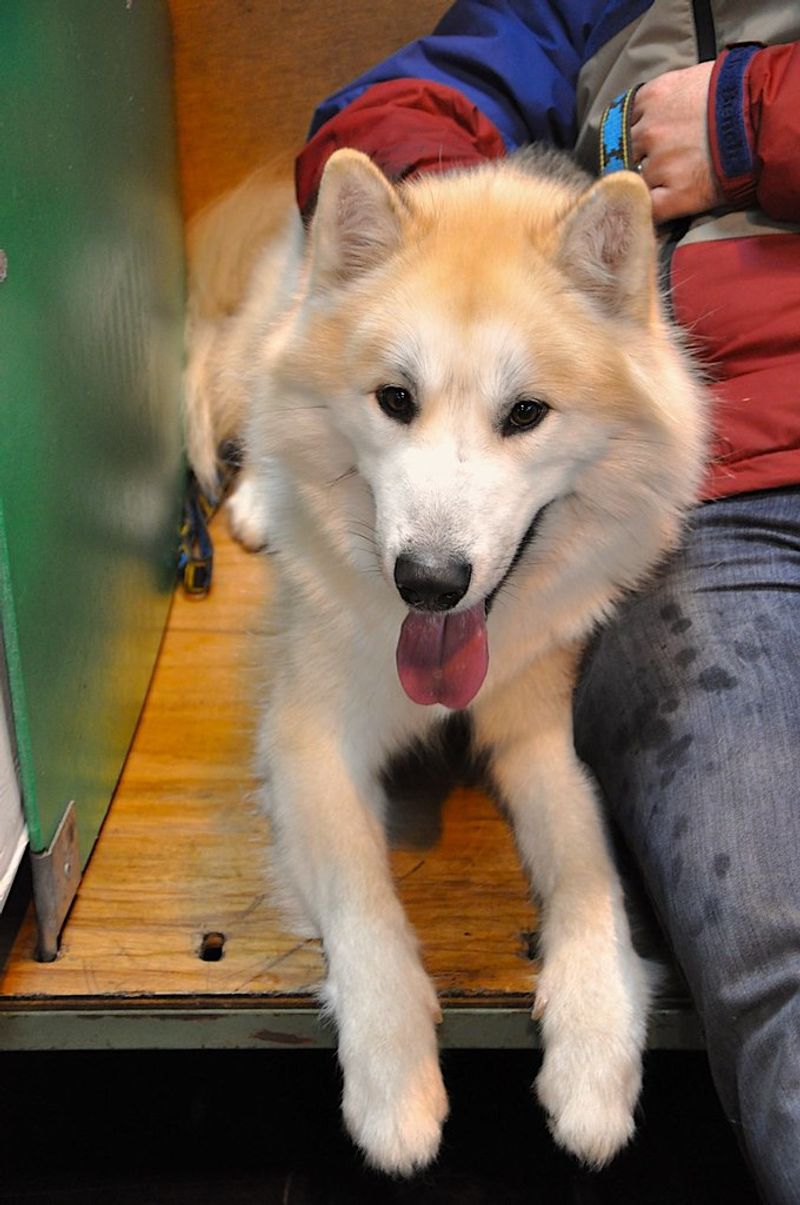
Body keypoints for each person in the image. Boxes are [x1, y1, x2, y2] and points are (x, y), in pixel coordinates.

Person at [292, 4, 800, 1202]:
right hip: (731, 490)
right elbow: (392, 114)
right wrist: (422, 247)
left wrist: (748, 116)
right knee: (778, 946)